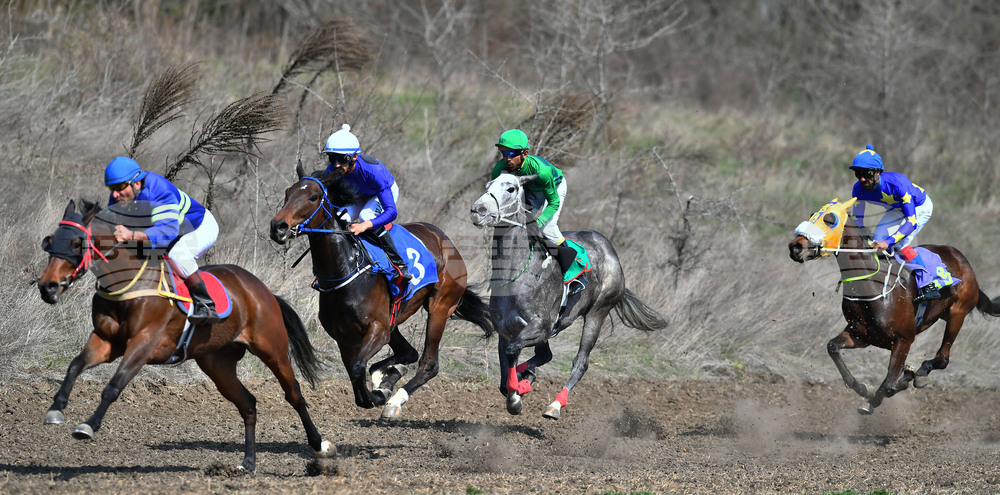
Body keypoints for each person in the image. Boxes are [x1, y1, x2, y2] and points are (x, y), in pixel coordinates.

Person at [104, 156, 222, 323]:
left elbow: (166, 232)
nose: (115, 194)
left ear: (136, 183)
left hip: (199, 227)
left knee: (178, 255)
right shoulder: (120, 195)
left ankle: (207, 306)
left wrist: (131, 235)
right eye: (111, 189)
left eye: (120, 187)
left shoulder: (159, 191)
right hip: (171, 232)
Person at [491, 128, 585, 293]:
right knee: (515, 223)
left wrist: (539, 220)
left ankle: (575, 271)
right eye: (503, 153)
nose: (507, 158)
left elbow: (554, 202)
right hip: (532, 190)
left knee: (545, 227)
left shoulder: (543, 171)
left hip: (554, 187)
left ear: (525, 153)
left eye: (512, 153)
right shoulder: (500, 169)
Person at [849, 144, 939, 301]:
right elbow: (858, 219)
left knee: (898, 243)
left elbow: (911, 222)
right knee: (876, 240)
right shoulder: (858, 189)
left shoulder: (898, 184)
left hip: (919, 207)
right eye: (858, 174)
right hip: (897, 209)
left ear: (878, 172)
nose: (862, 179)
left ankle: (928, 284)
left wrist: (888, 241)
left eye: (867, 173)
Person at [322, 124, 412, 283]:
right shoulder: (331, 171)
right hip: (360, 196)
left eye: (342, 159)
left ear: (354, 157)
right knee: (339, 218)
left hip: (382, 192)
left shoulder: (373, 172)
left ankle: (400, 265)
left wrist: (365, 225)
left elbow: (391, 212)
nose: (336, 165)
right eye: (332, 158)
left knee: (365, 215)